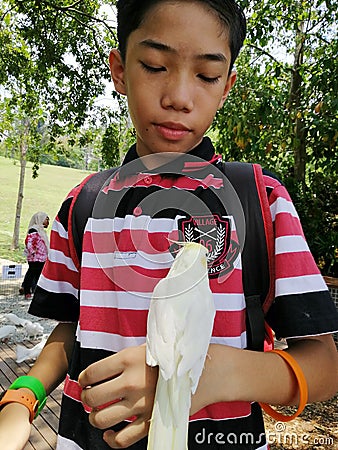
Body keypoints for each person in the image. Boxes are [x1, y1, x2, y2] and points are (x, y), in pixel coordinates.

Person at [0, 1, 337, 449]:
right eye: (156, 65)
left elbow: (325, 364)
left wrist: (203, 376)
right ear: (119, 70)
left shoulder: (260, 200)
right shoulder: (82, 204)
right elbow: (70, 329)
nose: (179, 95)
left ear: (227, 86)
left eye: (206, 75)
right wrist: (23, 398)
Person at [21, 212, 50, 300]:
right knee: (31, 274)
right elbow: (29, 243)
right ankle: (27, 291)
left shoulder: (41, 230)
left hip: (42, 258)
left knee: (39, 275)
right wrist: (33, 252)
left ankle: (37, 292)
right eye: (46, 219)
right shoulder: (34, 230)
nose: (47, 222)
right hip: (35, 258)